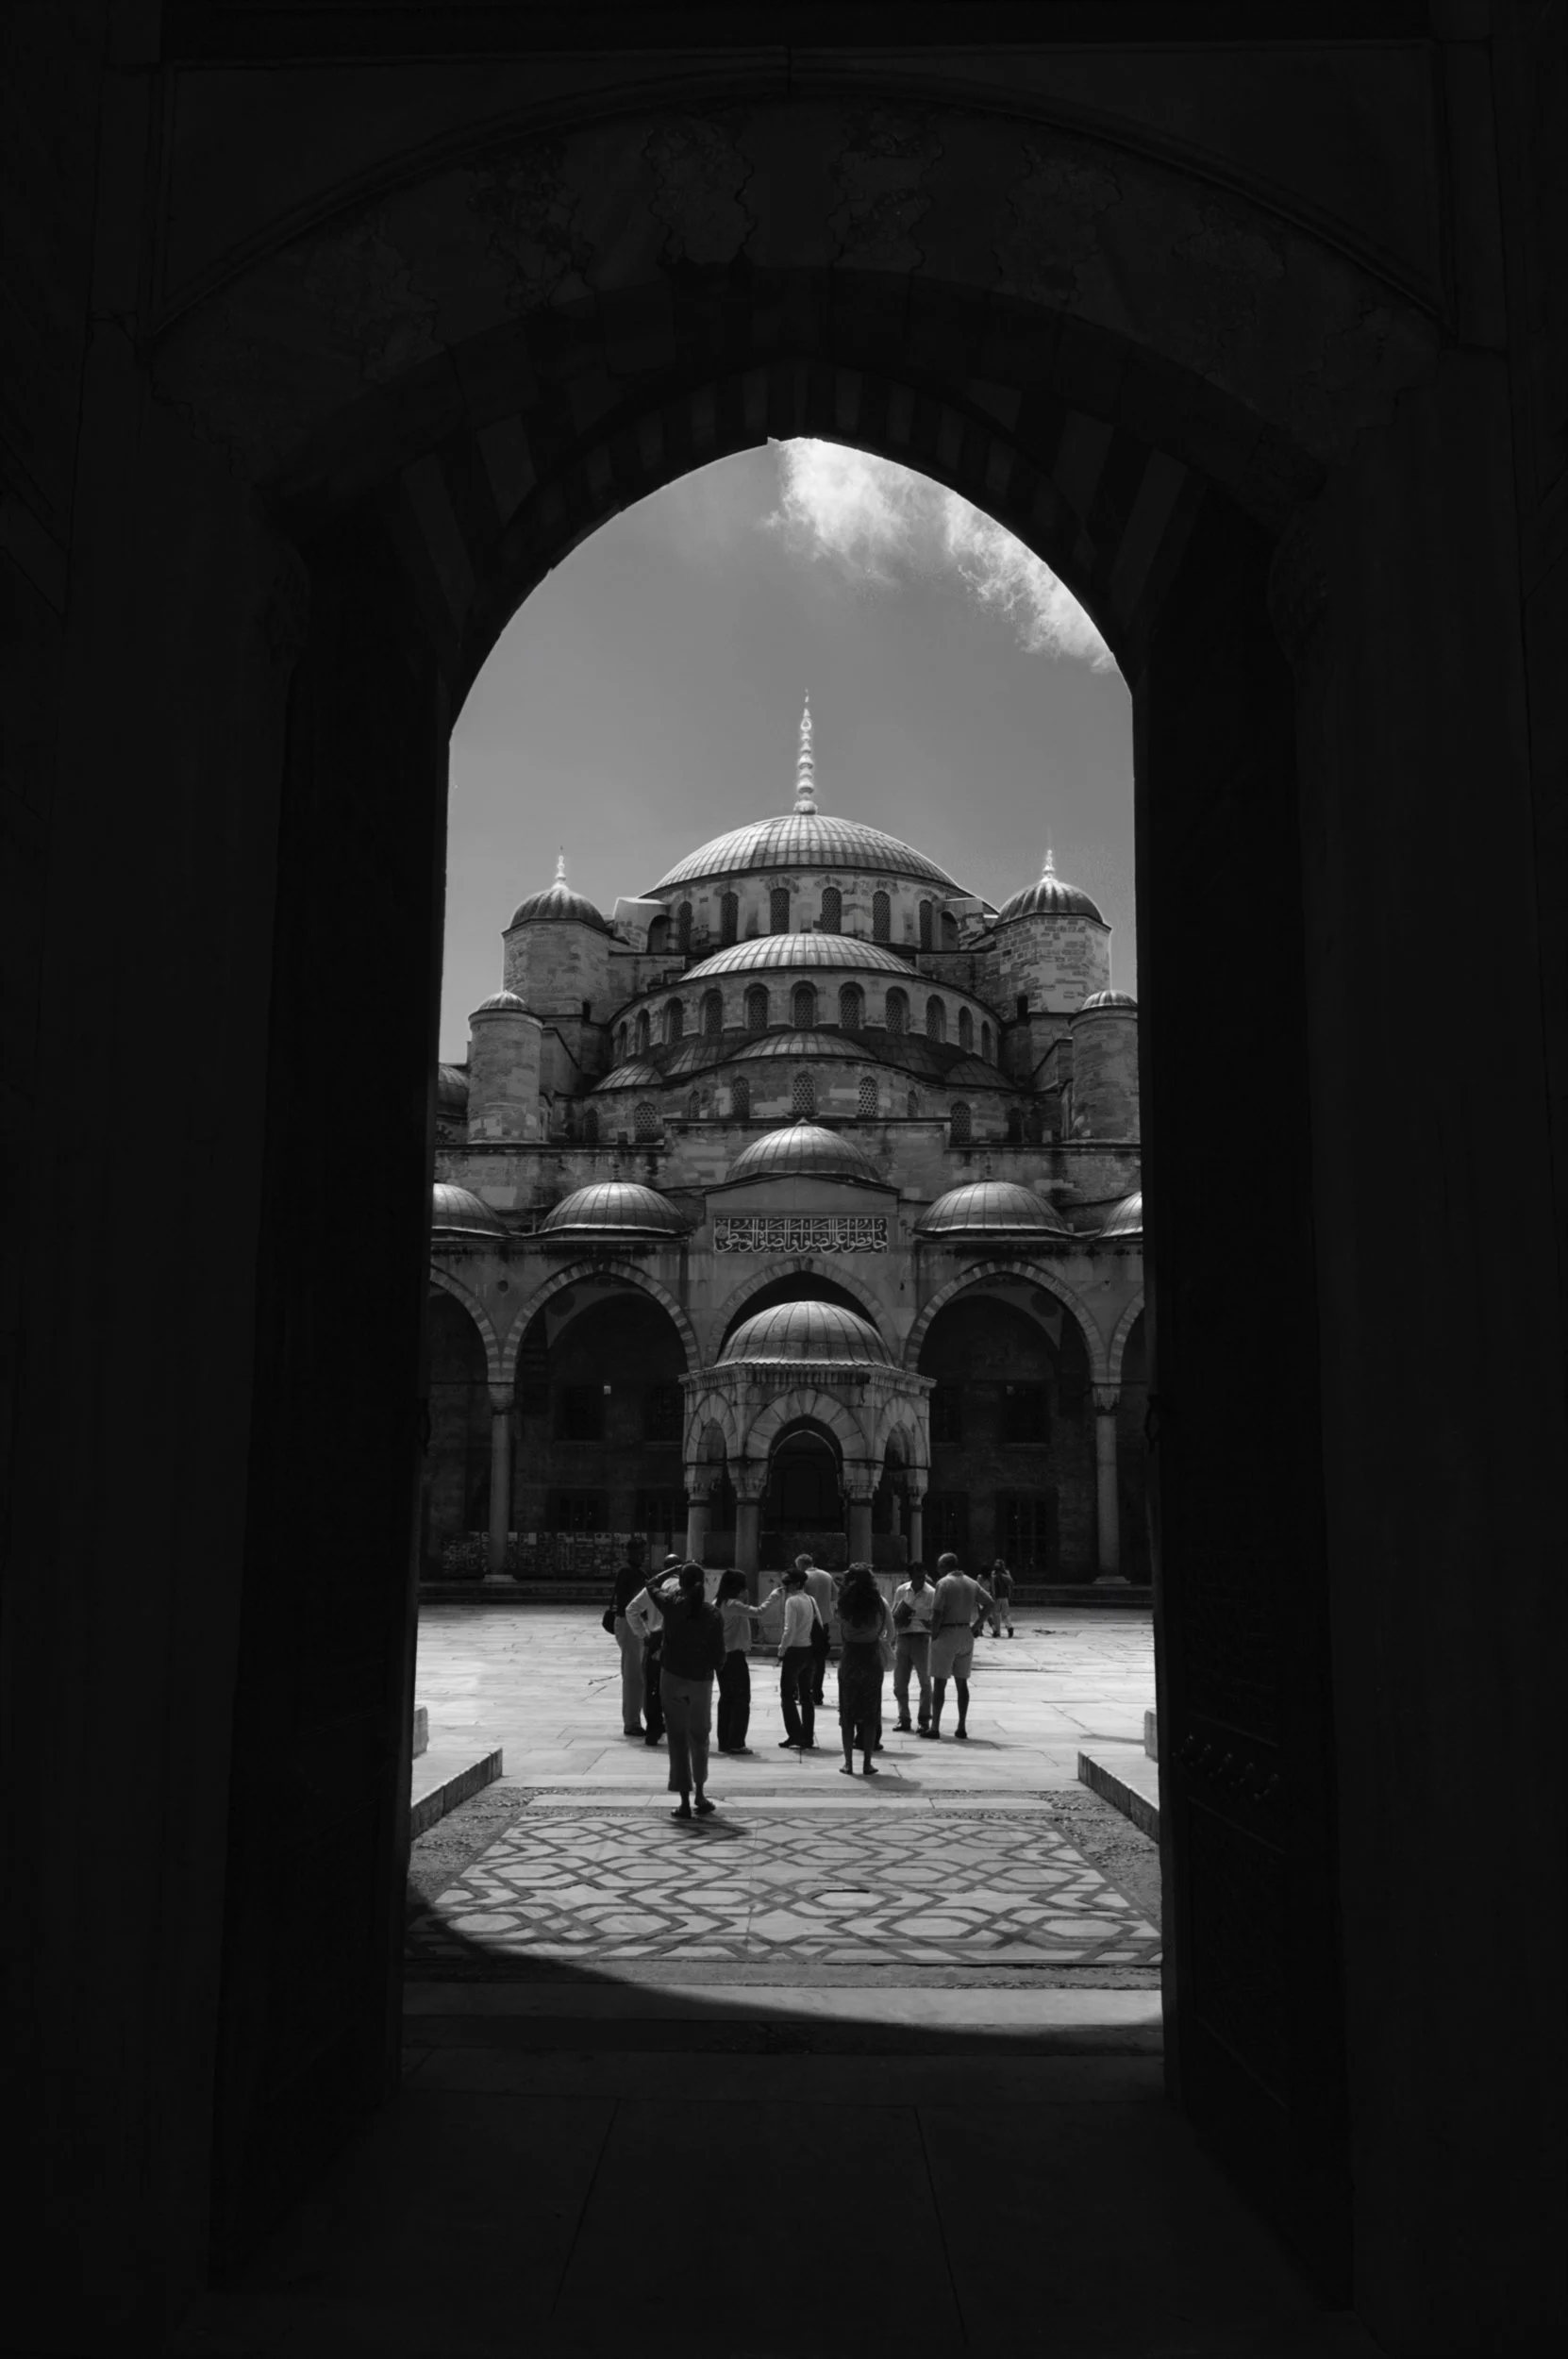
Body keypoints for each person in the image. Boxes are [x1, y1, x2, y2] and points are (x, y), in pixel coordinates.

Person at [641, 1563, 726, 1819]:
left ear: (682, 1583)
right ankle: (700, 1794)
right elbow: (719, 1654)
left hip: (673, 1677)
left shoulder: (672, 1605)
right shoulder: (713, 1613)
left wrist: (672, 1569)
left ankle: (684, 1801)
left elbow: (650, 1584)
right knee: (700, 1738)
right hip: (701, 1680)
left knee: (677, 1740)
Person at [924, 1551, 994, 1742]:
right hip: (965, 1631)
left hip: (947, 1632)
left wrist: (934, 1633)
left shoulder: (944, 1583)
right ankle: (961, 1725)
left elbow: (937, 1612)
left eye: (939, 1567)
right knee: (961, 1682)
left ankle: (935, 1726)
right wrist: (977, 1626)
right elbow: (989, 1603)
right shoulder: (971, 1582)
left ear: (945, 1567)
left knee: (940, 1681)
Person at [834, 1562, 890, 1777]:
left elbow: (842, 1631)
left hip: (850, 1659)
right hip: (871, 1658)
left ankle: (848, 1762)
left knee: (847, 1714)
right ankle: (867, 1762)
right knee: (870, 1714)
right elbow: (882, 1629)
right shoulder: (878, 1602)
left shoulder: (844, 1603)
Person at [714, 1569, 771, 1754]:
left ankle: (725, 1740)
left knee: (726, 1699)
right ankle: (736, 1741)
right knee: (741, 1699)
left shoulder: (718, 1603)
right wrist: (775, 1595)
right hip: (734, 1657)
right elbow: (760, 1612)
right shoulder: (734, 1605)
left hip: (722, 1656)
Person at [608, 1538, 649, 1735]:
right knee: (632, 1676)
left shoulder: (638, 1573)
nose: (642, 1556)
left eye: (644, 1552)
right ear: (631, 1553)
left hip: (636, 1625)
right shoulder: (628, 1572)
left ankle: (643, 1718)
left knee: (640, 1675)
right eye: (639, 1552)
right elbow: (628, 1603)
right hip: (628, 1624)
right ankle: (631, 1722)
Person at [775, 1565, 820, 1750]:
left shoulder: (792, 1602)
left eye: (788, 1583)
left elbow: (789, 1630)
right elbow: (819, 1623)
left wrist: (781, 1650)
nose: (785, 1586)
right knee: (806, 1695)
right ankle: (807, 1735)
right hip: (809, 1650)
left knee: (787, 1694)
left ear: (797, 1584)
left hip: (794, 1650)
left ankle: (795, 1734)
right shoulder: (811, 1600)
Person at [890, 1560, 936, 1731]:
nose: (921, 1580)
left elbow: (936, 1616)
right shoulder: (902, 1590)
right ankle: (904, 1716)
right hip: (903, 1636)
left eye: (923, 1577)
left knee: (925, 1681)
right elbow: (894, 1612)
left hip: (922, 1637)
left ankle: (924, 1719)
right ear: (910, 1576)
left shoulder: (931, 1593)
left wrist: (927, 1622)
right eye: (917, 1577)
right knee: (900, 1681)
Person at [624, 1573, 666, 1746]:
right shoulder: (681, 1587)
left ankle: (654, 1728)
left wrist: (643, 1634)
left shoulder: (651, 1590)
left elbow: (631, 1610)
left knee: (652, 1687)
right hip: (672, 1639)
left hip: (655, 1637)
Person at [796, 1552, 837, 1707]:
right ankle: (818, 1694)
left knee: (804, 1658)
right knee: (820, 1660)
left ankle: (804, 1692)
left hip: (807, 1622)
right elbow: (835, 1595)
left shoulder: (803, 1577)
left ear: (801, 1565)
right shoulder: (827, 1575)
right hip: (824, 1621)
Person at [987, 1557, 1016, 1637]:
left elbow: (991, 1586)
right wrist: (1010, 1595)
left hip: (997, 1597)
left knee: (996, 1615)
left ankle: (997, 1632)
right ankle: (1009, 1627)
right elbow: (1011, 1584)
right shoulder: (1006, 1573)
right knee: (1006, 1614)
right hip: (1004, 1597)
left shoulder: (993, 1574)